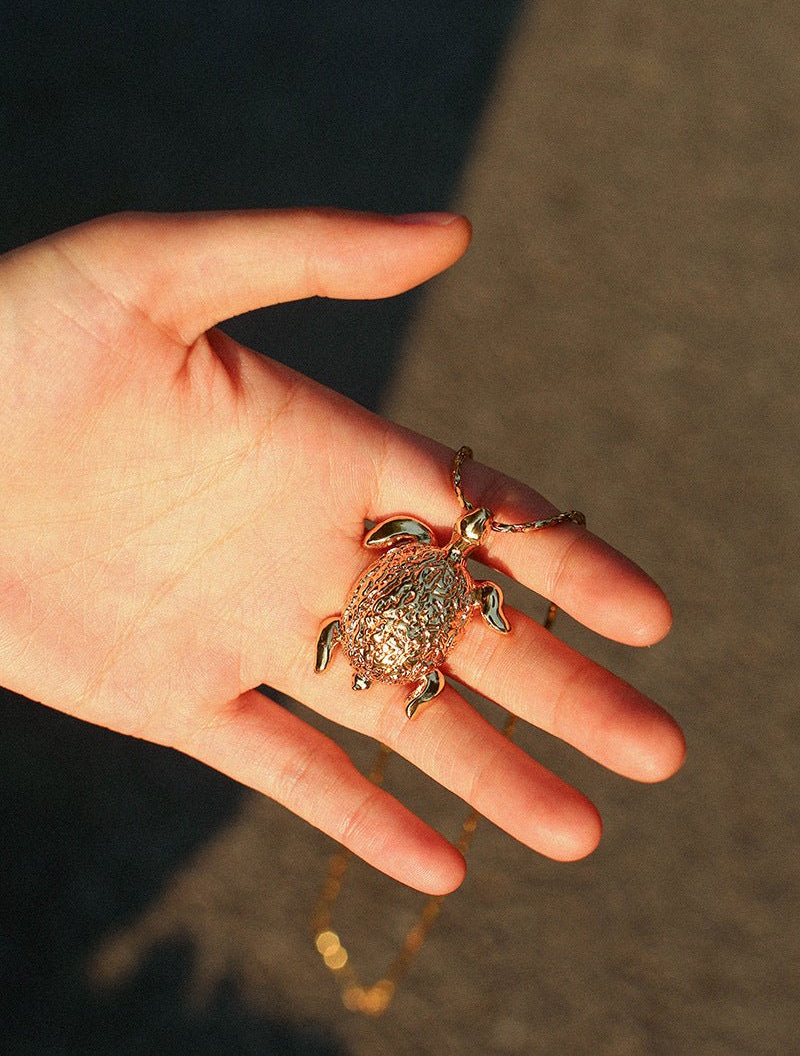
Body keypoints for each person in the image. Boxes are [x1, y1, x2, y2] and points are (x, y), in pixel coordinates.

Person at [0, 207, 684, 895]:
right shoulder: (455, 576)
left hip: (380, 621)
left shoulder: (422, 550)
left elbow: (393, 547)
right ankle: (396, 682)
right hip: (389, 627)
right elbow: (447, 583)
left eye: (476, 531)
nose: (473, 531)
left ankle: (382, 673)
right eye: (474, 526)